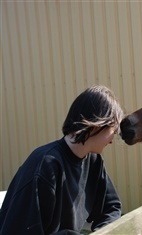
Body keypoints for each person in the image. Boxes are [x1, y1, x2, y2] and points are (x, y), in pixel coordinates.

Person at [0, 85, 123, 235]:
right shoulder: (45, 165)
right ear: (96, 124)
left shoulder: (94, 161)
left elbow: (112, 207)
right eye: (113, 130)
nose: (112, 140)